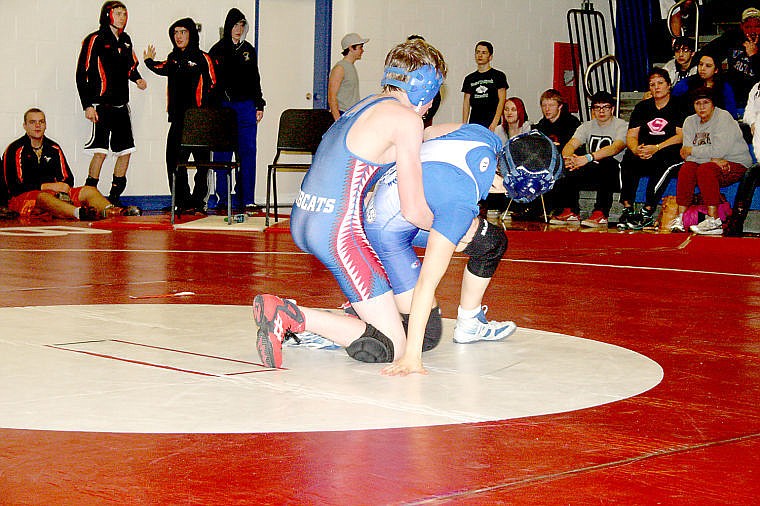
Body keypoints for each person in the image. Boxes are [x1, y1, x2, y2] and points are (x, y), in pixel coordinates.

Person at [253, 39, 446, 369]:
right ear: (424, 87)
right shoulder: (407, 120)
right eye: (434, 94)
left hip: (307, 217)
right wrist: (453, 231)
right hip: (339, 232)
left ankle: (349, 317)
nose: (432, 105)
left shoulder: (367, 104)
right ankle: (288, 315)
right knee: (393, 346)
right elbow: (413, 210)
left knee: (420, 328)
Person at [2, 108, 140, 221]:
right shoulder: (15, 149)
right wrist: (45, 186)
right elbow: (14, 186)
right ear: (25, 126)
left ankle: (112, 211)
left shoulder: (54, 148)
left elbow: (68, 178)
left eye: (41, 122)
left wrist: (62, 187)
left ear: (45, 125)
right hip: (25, 199)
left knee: (89, 190)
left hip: (54, 194)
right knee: (43, 197)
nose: (37, 126)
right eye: (32, 122)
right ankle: (80, 213)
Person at [75, 1, 147, 207]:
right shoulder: (95, 39)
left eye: (124, 13)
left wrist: (138, 79)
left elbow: (130, 66)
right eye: (118, 13)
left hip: (121, 106)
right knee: (100, 151)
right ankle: (89, 196)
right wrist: (87, 105)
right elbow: (82, 73)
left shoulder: (125, 40)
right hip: (101, 105)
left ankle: (114, 197)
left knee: (126, 151)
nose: (122, 17)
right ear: (108, 15)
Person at [144, 18, 216, 212]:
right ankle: (181, 202)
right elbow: (162, 67)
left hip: (199, 121)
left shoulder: (203, 58)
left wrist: (207, 116)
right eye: (175, 33)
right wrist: (148, 61)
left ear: (191, 34)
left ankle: (198, 203)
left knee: (202, 164)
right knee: (174, 161)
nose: (179, 36)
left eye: (183, 32)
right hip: (177, 120)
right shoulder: (173, 58)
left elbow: (215, 84)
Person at [669, 88, 751, 235]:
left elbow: (718, 151)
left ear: (713, 104)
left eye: (706, 103)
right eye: (697, 103)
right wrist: (712, 159)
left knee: (705, 169)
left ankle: (714, 220)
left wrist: (695, 151)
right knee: (687, 168)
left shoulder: (724, 117)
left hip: (735, 162)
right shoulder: (690, 121)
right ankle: (681, 218)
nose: (702, 107)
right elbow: (686, 155)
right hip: (711, 163)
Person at [208, 8, 266, 214]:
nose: (238, 29)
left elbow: (255, 79)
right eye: (235, 25)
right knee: (222, 155)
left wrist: (259, 104)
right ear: (228, 27)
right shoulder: (217, 50)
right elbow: (211, 82)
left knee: (248, 153)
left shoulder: (249, 50)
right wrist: (214, 108)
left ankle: (247, 198)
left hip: (246, 107)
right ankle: (223, 199)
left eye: (242, 25)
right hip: (224, 108)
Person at [618, 68, 685, 230]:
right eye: (652, 84)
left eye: (660, 83)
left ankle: (647, 211)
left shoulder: (679, 105)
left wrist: (656, 147)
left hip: (669, 150)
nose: (656, 87)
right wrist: (636, 149)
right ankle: (628, 208)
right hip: (645, 150)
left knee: (664, 163)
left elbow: (681, 136)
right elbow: (631, 135)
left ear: (669, 85)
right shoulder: (642, 107)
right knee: (627, 160)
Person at [553, 91, 628, 228]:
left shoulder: (621, 125)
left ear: (612, 109)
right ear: (592, 110)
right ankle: (571, 210)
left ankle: (601, 213)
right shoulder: (586, 126)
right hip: (593, 167)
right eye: (597, 107)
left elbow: (615, 148)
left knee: (607, 162)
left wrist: (588, 157)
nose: (601, 111)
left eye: (605, 107)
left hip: (615, 171)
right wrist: (568, 158)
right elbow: (571, 145)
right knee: (570, 164)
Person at [701, 7, 760, 115]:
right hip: (732, 97)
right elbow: (708, 51)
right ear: (741, 26)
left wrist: (754, 56)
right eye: (748, 27)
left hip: (756, 99)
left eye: (757, 26)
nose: (752, 31)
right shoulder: (732, 38)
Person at [535, 89, 581, 218]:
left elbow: (573, 148)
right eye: (544, 105)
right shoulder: (541, 125)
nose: (547, 109)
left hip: (569, 160)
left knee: (566, 168)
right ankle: (537, 208)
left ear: (560, 106)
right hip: (548, 161)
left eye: (551, 105)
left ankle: (570, 209)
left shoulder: (571, 122)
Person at [672, 53, 738, 119]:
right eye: (701, 64)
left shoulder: (724, 87)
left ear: (716, 70)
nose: (702, 68)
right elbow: (673, 100)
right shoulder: (687, 82)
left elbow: (731, 114)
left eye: (708, 66)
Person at [461, 41, 508, 131]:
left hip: (492, 121)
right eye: (478, 52)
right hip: (474, 122)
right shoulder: (469, 78)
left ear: (490, 57)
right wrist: (464, 124)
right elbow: (466, 103)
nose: (480, 55)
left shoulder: (499, 76)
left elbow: (502, 100)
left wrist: (495, 122)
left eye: (484, 53)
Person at [328, 33, 368, 121]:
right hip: (342, 115)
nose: (362, 50)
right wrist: (338, 122)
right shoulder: (340, 68)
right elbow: (332, 97)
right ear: (351, 48)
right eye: (360, 47)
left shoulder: (350, 67)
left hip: (351, 115)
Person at [407, 35, 441, 128]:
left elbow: (436, 98)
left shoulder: (430, 72)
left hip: (422, 120)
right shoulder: (400, 70)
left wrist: (424, 117)